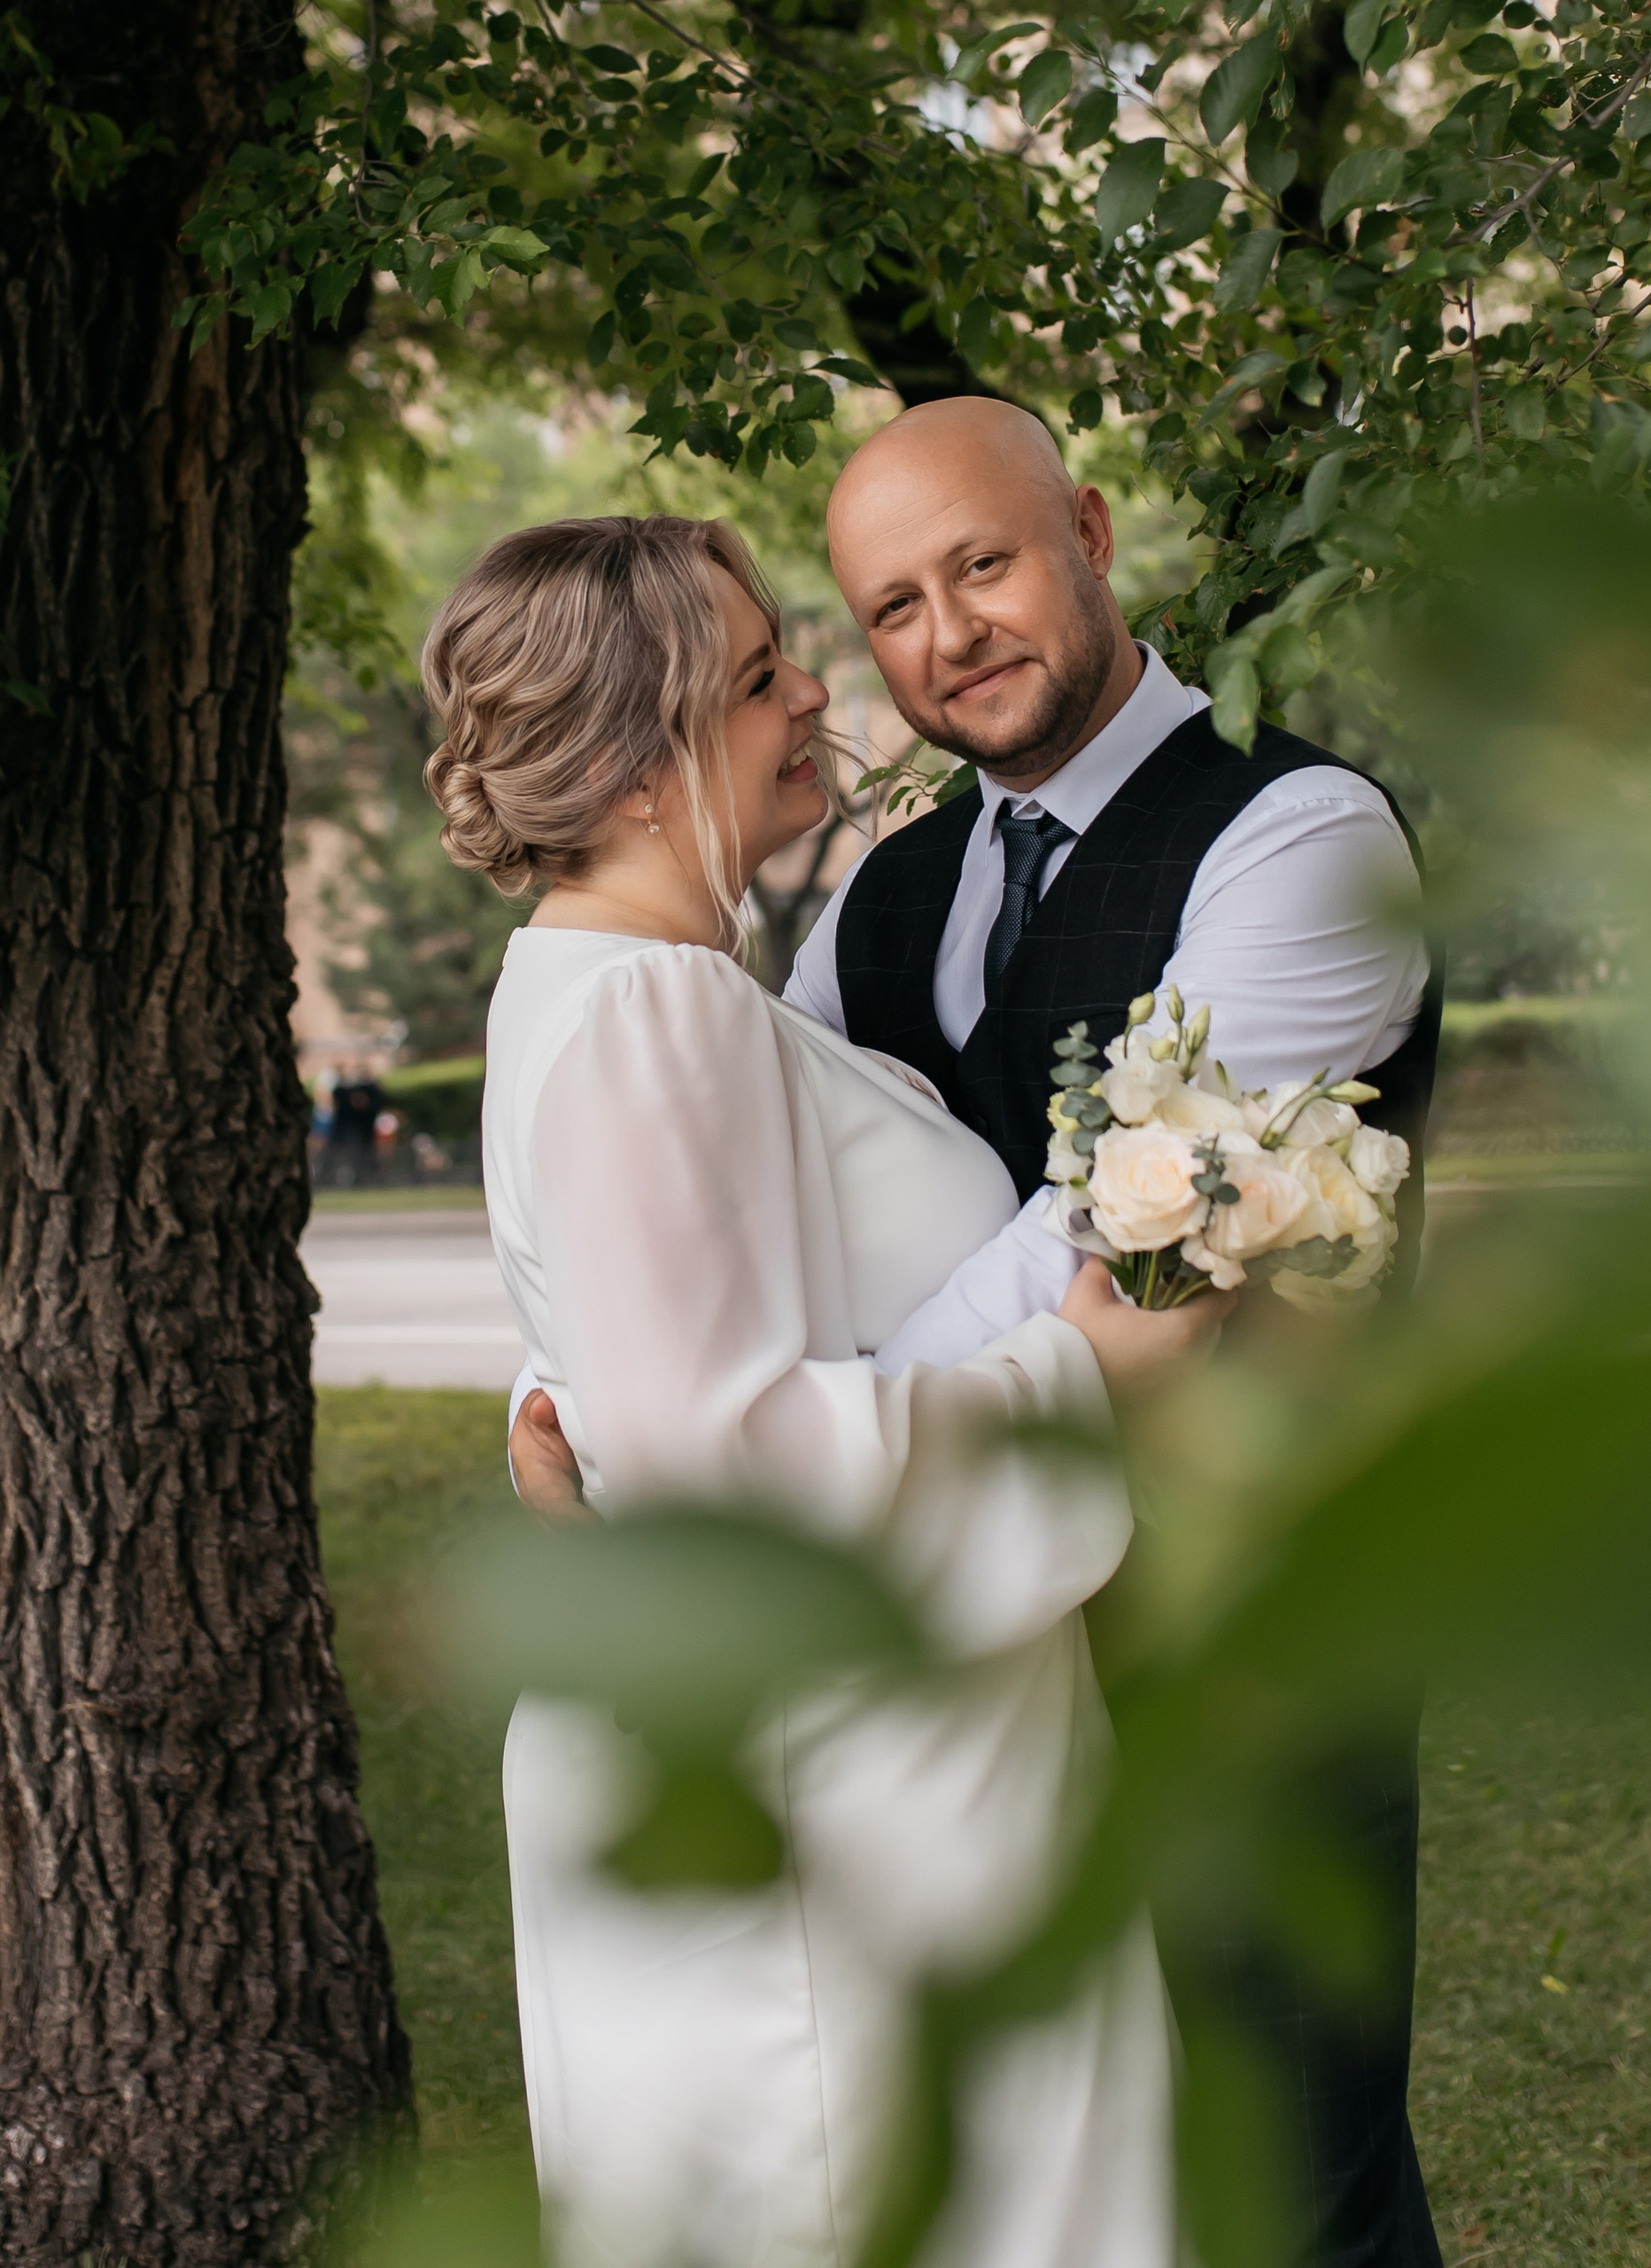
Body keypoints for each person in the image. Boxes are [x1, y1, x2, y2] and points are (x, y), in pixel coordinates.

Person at [510, 398, 1445, 2267]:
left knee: (1286, 2188)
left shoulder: (1302, 837)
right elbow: (724, 1188)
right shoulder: (881, 892)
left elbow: (1111, 1228)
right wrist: (591, 1380)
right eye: (889, 605)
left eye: (985, 564)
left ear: (1089, 530)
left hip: (1231, 1634)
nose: (947, 633)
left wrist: (718, 1444)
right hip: (961, 1689)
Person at [429, 512, 1230, 2268]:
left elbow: (652, 1346)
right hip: (830, 1819)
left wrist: (559, 1404)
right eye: (755, 677)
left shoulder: (627, 984)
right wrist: (1079, 1376)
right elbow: (727, 1464)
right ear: (636, 766)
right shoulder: (655, 1012)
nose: (815, 695)